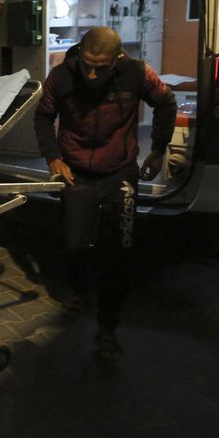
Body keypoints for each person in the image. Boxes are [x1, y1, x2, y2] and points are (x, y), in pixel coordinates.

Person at [34, 26, 176, 360]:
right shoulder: (60, 76)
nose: (93, 73)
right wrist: (54, 158)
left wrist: (157, 149)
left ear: (118, 59)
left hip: (120, 172)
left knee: (119, 252)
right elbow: (43, 117)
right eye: (87, 63)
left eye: (102, 66)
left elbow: (166, 102)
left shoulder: (137, 72)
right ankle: (80, 293)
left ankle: (108, 329)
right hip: (76, 170)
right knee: (75, 243)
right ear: (80, 52)